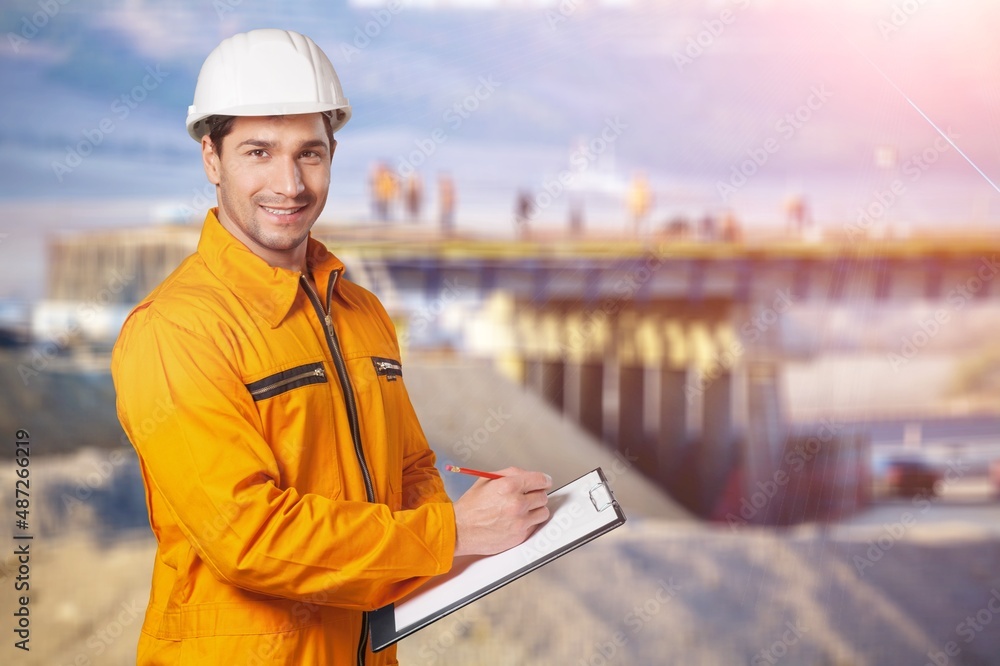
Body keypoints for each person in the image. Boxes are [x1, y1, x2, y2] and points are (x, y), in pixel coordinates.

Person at [111, 29, 550, 666]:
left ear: (333, 153)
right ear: (211, 158)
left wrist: (487, 530)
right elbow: (249, 536)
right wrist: (452, 532)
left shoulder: (362, 313)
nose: (289, 183)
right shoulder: (177, 330)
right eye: (258, 152)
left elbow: (411, 470)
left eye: (309, 154)